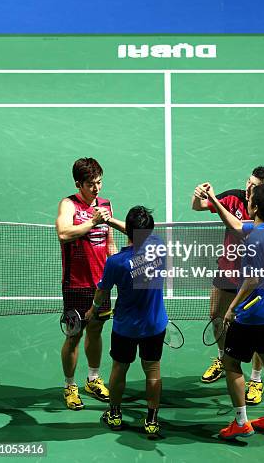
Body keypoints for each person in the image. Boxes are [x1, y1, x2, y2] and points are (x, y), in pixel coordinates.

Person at [192, 166, 264, 408]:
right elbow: (200, 208)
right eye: (248, 182)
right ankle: (223, 359)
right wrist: (203, 195)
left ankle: (255, 379)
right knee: (215, 316)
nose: (248, 188)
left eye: (254, 186)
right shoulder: (236, 199)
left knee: (255, 333)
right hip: (227, 270)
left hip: (250, 284)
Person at [86, 206, 168, 436]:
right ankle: (151, 420)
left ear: (129, 232)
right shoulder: (159, 247)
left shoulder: (116, 262)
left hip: (126, 327)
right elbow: (141, 236)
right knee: (153, 371)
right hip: (154, 324)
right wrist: (112, 221)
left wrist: (93, 310)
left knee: (119, 369)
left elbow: (101, 293)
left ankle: (114, 414)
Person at [56, 157, 116, 410]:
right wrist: (92, 221)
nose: (97, 188)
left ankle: (93, 378)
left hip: (101, 284)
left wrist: (117, 272)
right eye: (91, 184)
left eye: (99, 182)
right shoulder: (69, 204)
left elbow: (110, 243)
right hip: (76, 284)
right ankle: (70, 385)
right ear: (78, 183)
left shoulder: (106, 204)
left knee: (96, 330)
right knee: (74, 335)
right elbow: (63, 233)